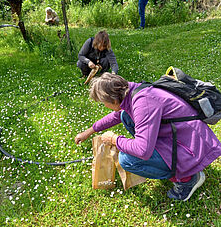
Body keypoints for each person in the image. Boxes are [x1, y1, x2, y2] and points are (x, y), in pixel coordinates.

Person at [75, 73, 221, 201]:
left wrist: (114, 139)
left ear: (113, 100)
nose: (104, 106)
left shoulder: (144, 103)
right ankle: (174, 163)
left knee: (127, 160)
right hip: (182, 138)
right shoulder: (132, 92)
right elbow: (116, 116)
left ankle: (187, 179)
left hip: (191, 148)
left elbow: (142, 151)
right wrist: (89, 131)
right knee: (126, 116)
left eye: (103, 103)